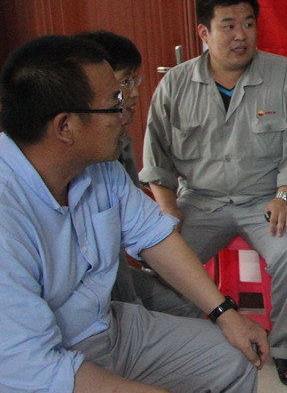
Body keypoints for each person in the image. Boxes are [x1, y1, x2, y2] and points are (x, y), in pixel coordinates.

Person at [0, 35, 268, 393]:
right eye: (114, 102)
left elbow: (153, 236)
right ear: (65, 126)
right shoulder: (7, 210)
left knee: (233, 357)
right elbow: (37, 370)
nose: (126, 113)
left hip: (104, 330)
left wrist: (225, 313)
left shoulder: (96, 166)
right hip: (22, 389)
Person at [141, 0, 287, 386]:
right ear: (204, 32)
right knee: (158, 270)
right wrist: (168, 212)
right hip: (200, 202)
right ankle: (202, 338)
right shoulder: (175, 84)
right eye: (228, 26)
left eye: (249, 24)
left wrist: (286, 195)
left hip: (266, 200)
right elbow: (157, 161)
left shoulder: (282, 74)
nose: (241, 35)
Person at [75, 30, 202, 318]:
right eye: (125, 82)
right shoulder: (77, 156)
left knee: (187, 302)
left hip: (119, 271)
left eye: (135, 81)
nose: (133, 93)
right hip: (88, 291)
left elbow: (139, 225)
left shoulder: (119, 142)